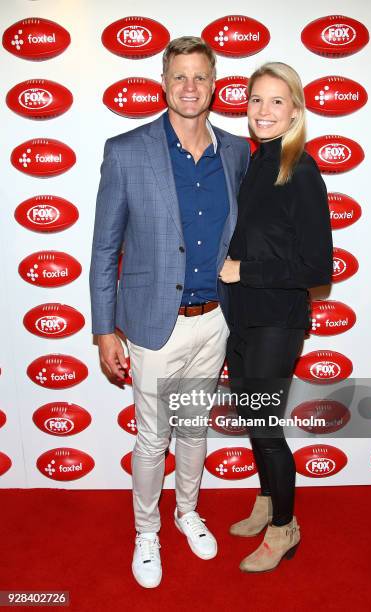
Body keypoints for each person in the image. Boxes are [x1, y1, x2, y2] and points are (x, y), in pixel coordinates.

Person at [89, 36, 250, 588]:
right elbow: (106, 247)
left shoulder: (236, 151)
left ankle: (186, 512)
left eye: (199, 77)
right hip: (154, 323)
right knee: (153, 437)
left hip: (215, 321)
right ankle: (146, 532)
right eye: (179, 76)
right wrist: (104, 329)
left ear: (214, 83)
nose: (189, 87)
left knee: (193, 429)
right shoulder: (126, 149)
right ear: (163, 81)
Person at [219, 62, 333, 573]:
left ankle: (285, 527)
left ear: (296, 110)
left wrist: (246, 270)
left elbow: (317, 266)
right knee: (252, 416)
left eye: (277, 101)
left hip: (278, 319)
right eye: (256, 100)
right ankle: (267, 499)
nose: (264, 111)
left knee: (264, 425)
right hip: (242, 316)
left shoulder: (301, 171)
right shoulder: (254, 164)